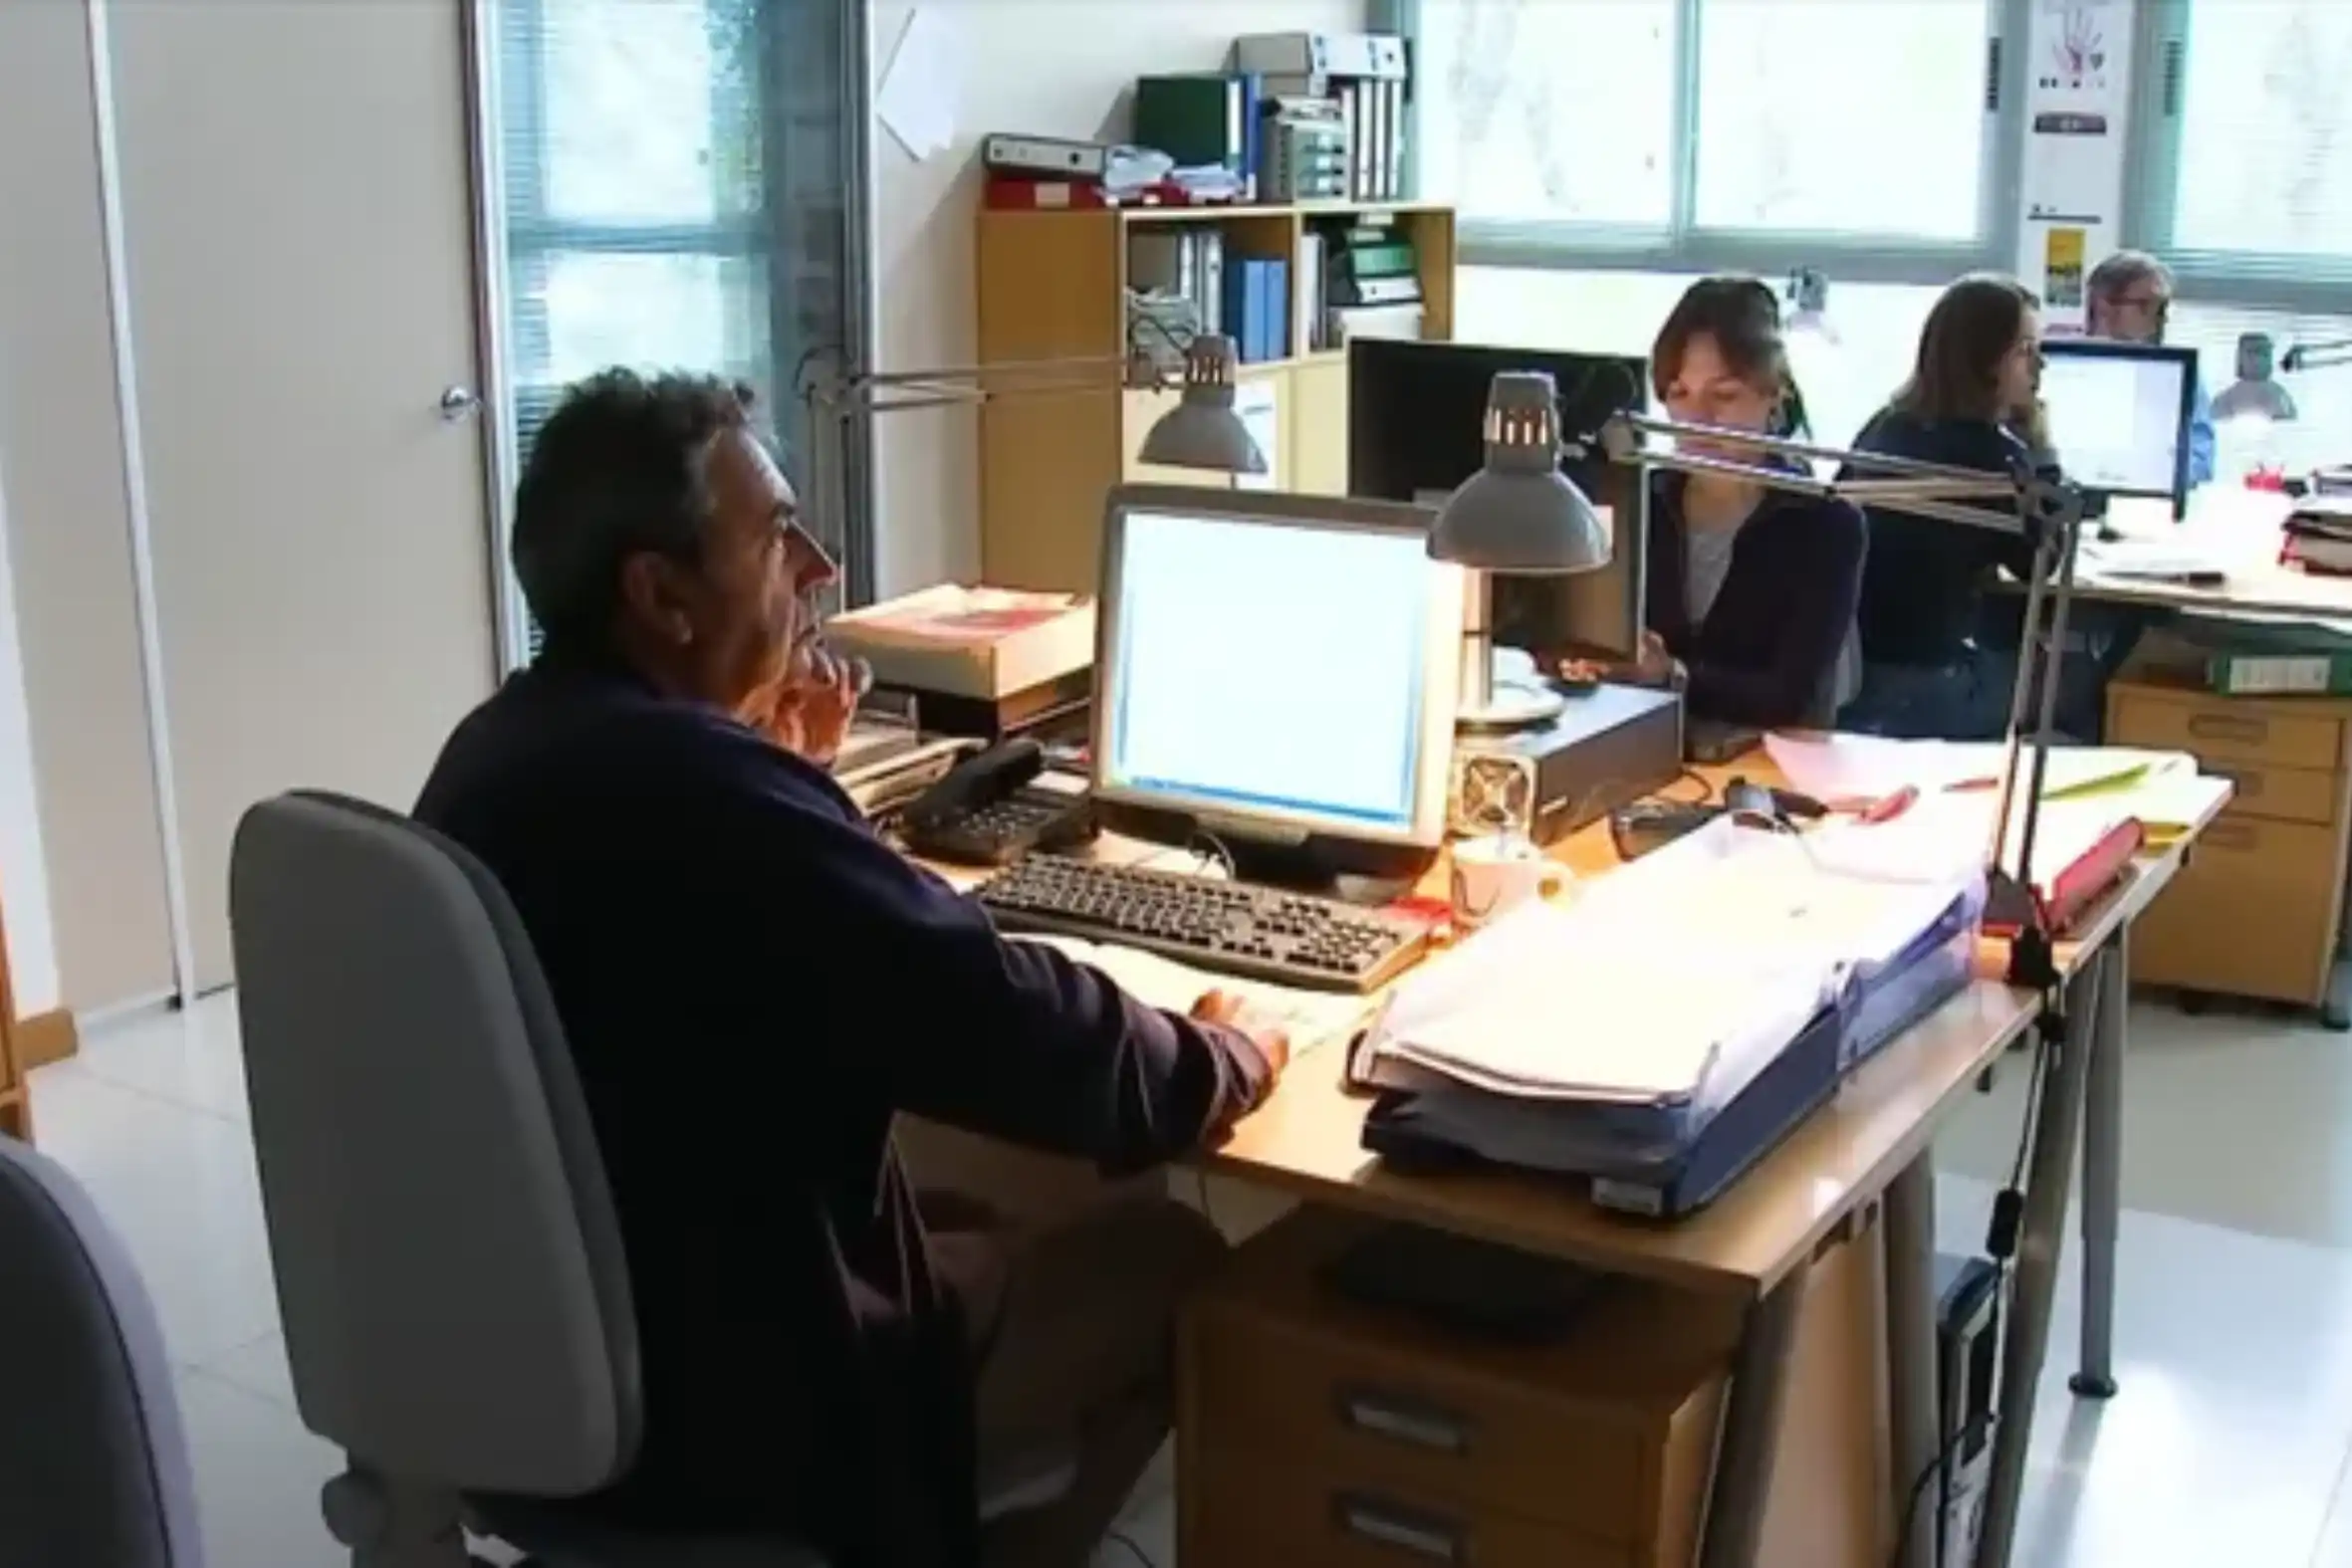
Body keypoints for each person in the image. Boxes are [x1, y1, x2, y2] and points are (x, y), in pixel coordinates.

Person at [413, 369, 1289, 1568]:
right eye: (777, 536)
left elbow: (716, 948)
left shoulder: (502, 748)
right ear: (661, 595)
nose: (820, 567)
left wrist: (790, 787)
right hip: (735, 1411)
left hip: (546, 1357)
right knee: (1169, 1255)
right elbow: (1009, 1025)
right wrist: (1221, 1054)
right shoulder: (708, 801)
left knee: (972, 1212)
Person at [1615, 276, 1865, 729]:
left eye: (1724, 395)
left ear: (1774, 396)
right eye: (1679, 394)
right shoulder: (1639, 504)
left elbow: (1790, 697)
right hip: (1643, 745)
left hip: (1765, 755)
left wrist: (1672, 676)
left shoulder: (1825, 524)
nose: (1696, 419)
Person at [1839, 274, 2050, 741]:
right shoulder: (1997, 455)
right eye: (2026, 350)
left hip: (1851, 676)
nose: (2040, 365)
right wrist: (2042, 449)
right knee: (2071, 679)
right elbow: (2042, 562)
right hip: (1933, 687)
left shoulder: (1884, 427)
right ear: (1986, 361)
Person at [2085, 248, 2216, 487]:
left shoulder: (2180, 373)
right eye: (2148, 305)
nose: (2162, 318)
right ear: (2104, 306)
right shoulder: (2054, 367)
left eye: (2164, 307)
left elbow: (2201, 460)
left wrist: (2148, 473)